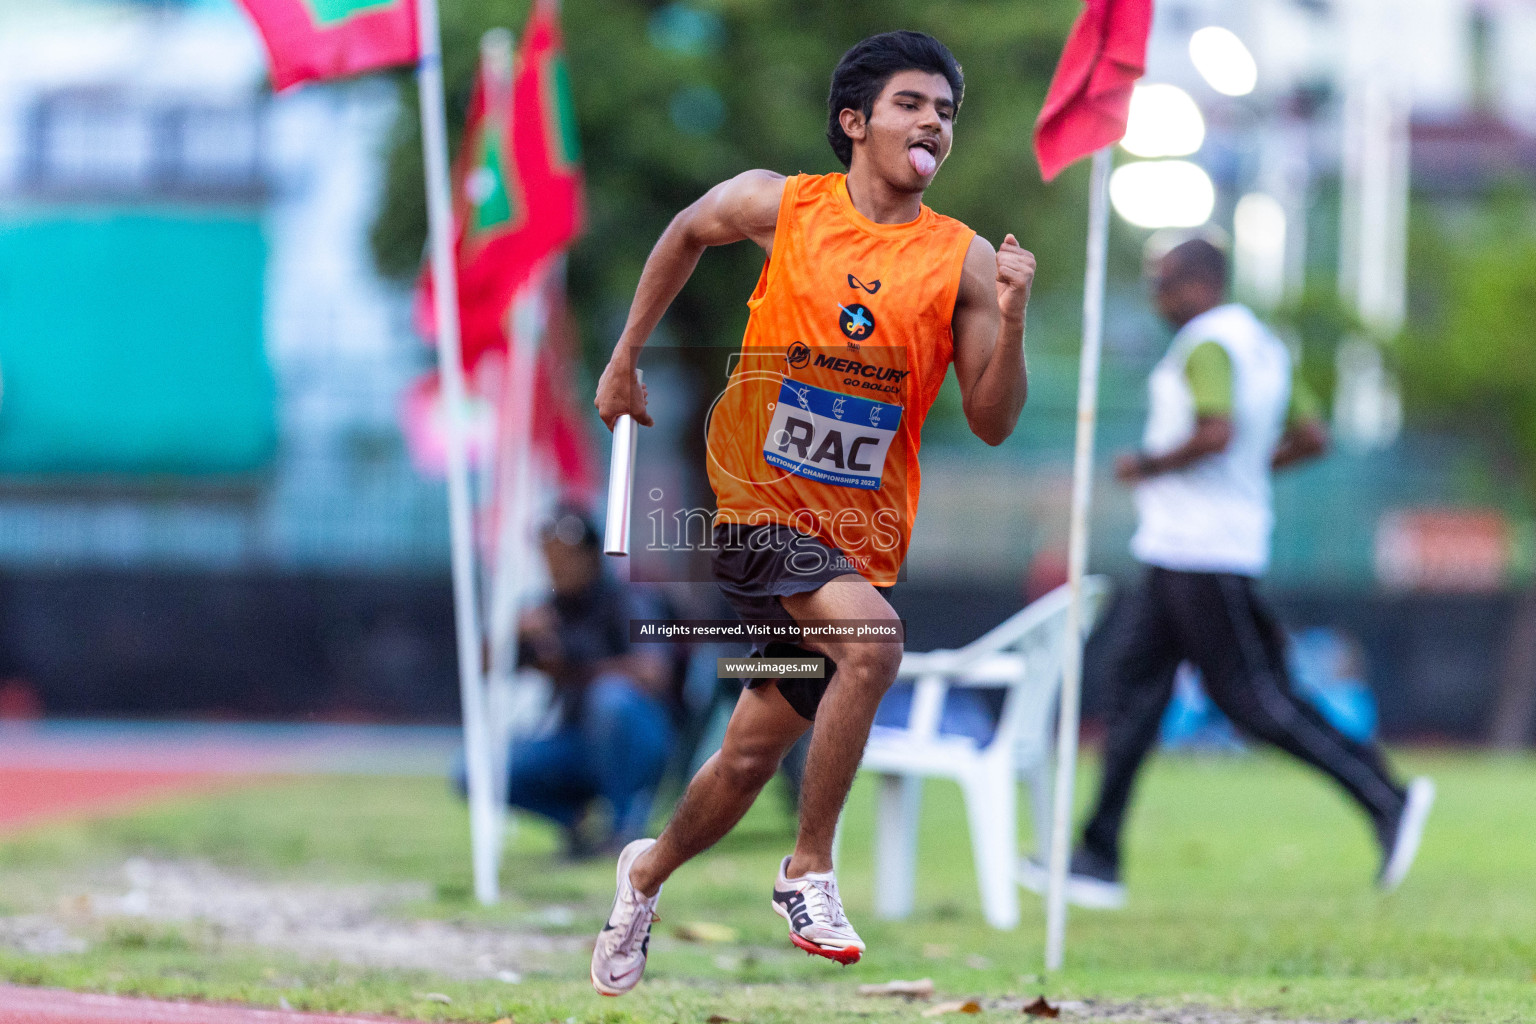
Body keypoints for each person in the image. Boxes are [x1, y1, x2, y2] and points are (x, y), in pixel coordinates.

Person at [588, 30, 1035, 993]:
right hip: (755, 517)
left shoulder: (958, 260)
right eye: (913, 104)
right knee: (873, 648)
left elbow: (993, 421)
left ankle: (644, 875)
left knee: (749, 753)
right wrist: (626, 356)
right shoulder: (781, 205)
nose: (933, 124)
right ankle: (811, 870)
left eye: (947, 111)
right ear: (856, 121)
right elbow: (683, 231)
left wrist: (1014, 315)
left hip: (857, 540)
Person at [1022, 237, 1434, 909]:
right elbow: (1311, 436)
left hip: (1202, 552)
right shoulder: (1264, 345)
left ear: (1197, 283)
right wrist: (1247, 474)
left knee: (1255, 700)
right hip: (1185, 549)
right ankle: (1097, 857)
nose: (1158, 299)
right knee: (1135, 684)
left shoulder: (1205, 343)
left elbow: (1216, 431)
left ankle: (1388, 798)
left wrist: (1148, 465)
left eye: (1164, 284)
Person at [485, 505, 682, 856]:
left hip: (640, 740)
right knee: (478, 768)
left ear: (591, 555)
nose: (555, 567)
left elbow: (654, 672)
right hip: (575, 745)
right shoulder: (544, 611)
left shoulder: (628, 599)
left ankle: (624, 825)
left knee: (610, 698)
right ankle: (576, 822)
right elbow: (484, 667)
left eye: (564, 556)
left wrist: (571, 669)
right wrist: (510, 633)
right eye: (548, 557)